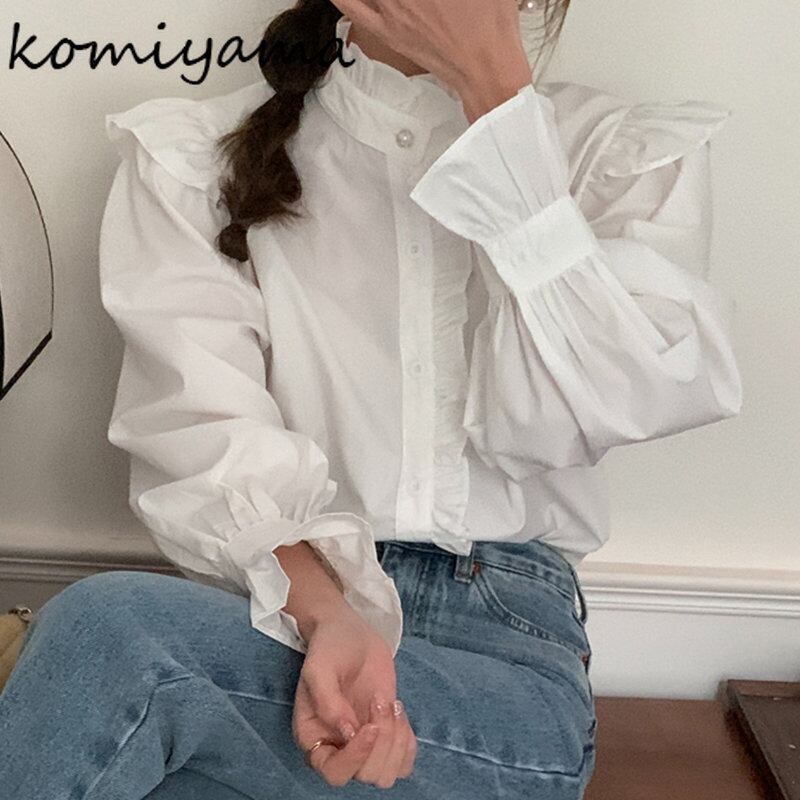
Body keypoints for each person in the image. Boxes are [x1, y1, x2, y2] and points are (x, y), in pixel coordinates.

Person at [0, 0, 742, 796]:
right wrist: (328, 615)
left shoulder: (614, 156)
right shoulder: (192, 161)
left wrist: (497, 97)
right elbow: (202, 435)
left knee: (111, 636)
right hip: (275, 633)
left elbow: (602, 404)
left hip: (504, 666)